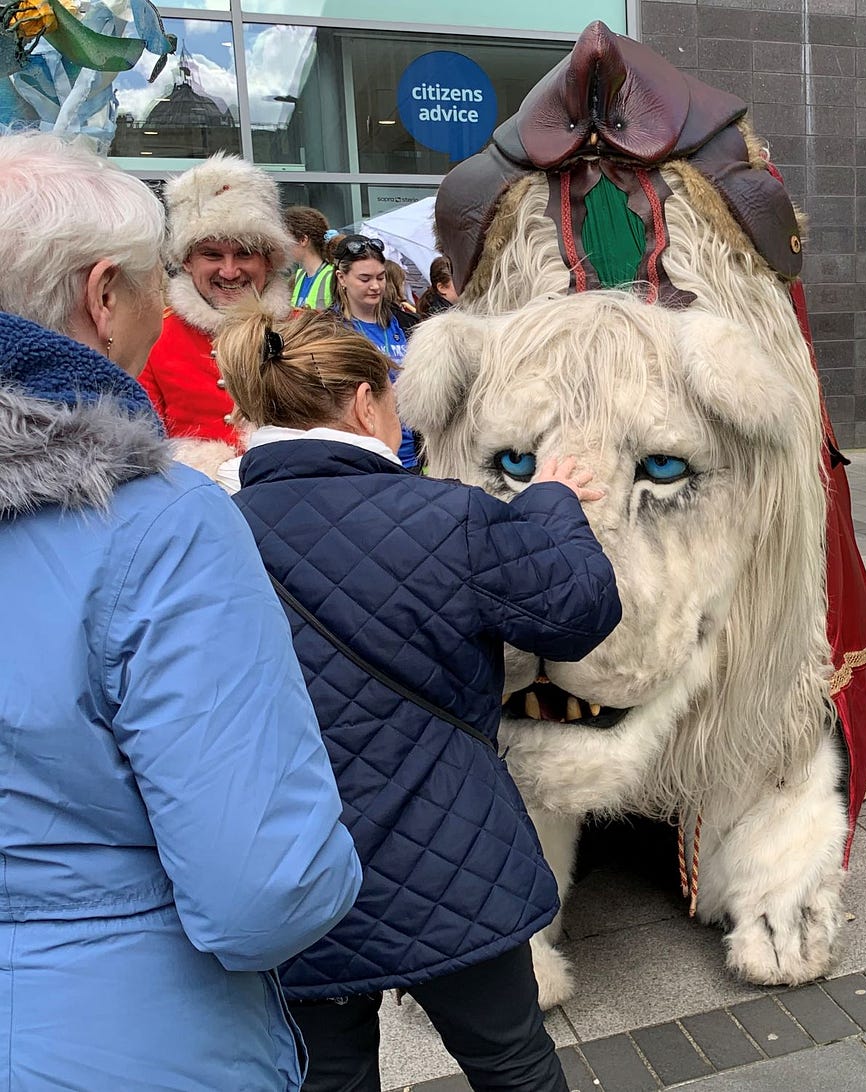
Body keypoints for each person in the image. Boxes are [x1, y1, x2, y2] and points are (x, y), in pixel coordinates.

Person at [0, 132, 361, 1089]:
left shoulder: (292, 327)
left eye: (247, 252)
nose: (227, 271)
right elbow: (264, 892)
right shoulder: (157, 518)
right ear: (105, 296)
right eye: (204, 256)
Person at [213, 306, 622, 1092]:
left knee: (327, 1077)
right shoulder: (450, 515)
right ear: (366, 402)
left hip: (294, 871)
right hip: (452, 862)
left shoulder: (205, 533)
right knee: (512, 1064)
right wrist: (550, 506)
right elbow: (576, 613)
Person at [139, 153, 294, 447]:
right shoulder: (153, 338)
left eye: (244, 254)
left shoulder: (308, 330)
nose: (229, 271)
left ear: (269, 260)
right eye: (212, 255)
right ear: (186, 261)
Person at [331, 234, 423, 469]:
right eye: (365, 279)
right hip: (361, 457)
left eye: (380, 277)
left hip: (411, 456)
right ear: (342, 278)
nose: (375, 286)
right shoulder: (328, 330)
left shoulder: (407, 322)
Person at [286, 205, 336, 310]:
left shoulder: (334, 276)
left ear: (303, 240)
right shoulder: (298, 277)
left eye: (286, 238)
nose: (284, 245)